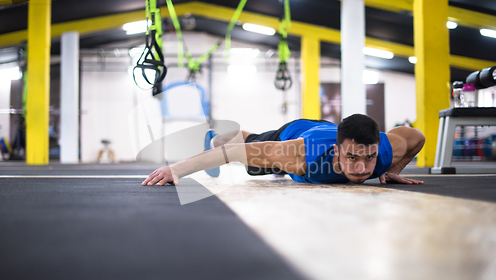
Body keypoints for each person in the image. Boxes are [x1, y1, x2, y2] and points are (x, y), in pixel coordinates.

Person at [142, 114, 425, 186]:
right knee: (248, 142)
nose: (362, 169)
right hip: (297, 131)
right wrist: (175, 170)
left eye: (369, 158)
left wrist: (393, 171)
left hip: (328, 128)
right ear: (339, 150)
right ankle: (215, 136)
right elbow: (233, 154)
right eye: (352, 158)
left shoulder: (388, 150)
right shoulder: (298, 154)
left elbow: (417, 137)